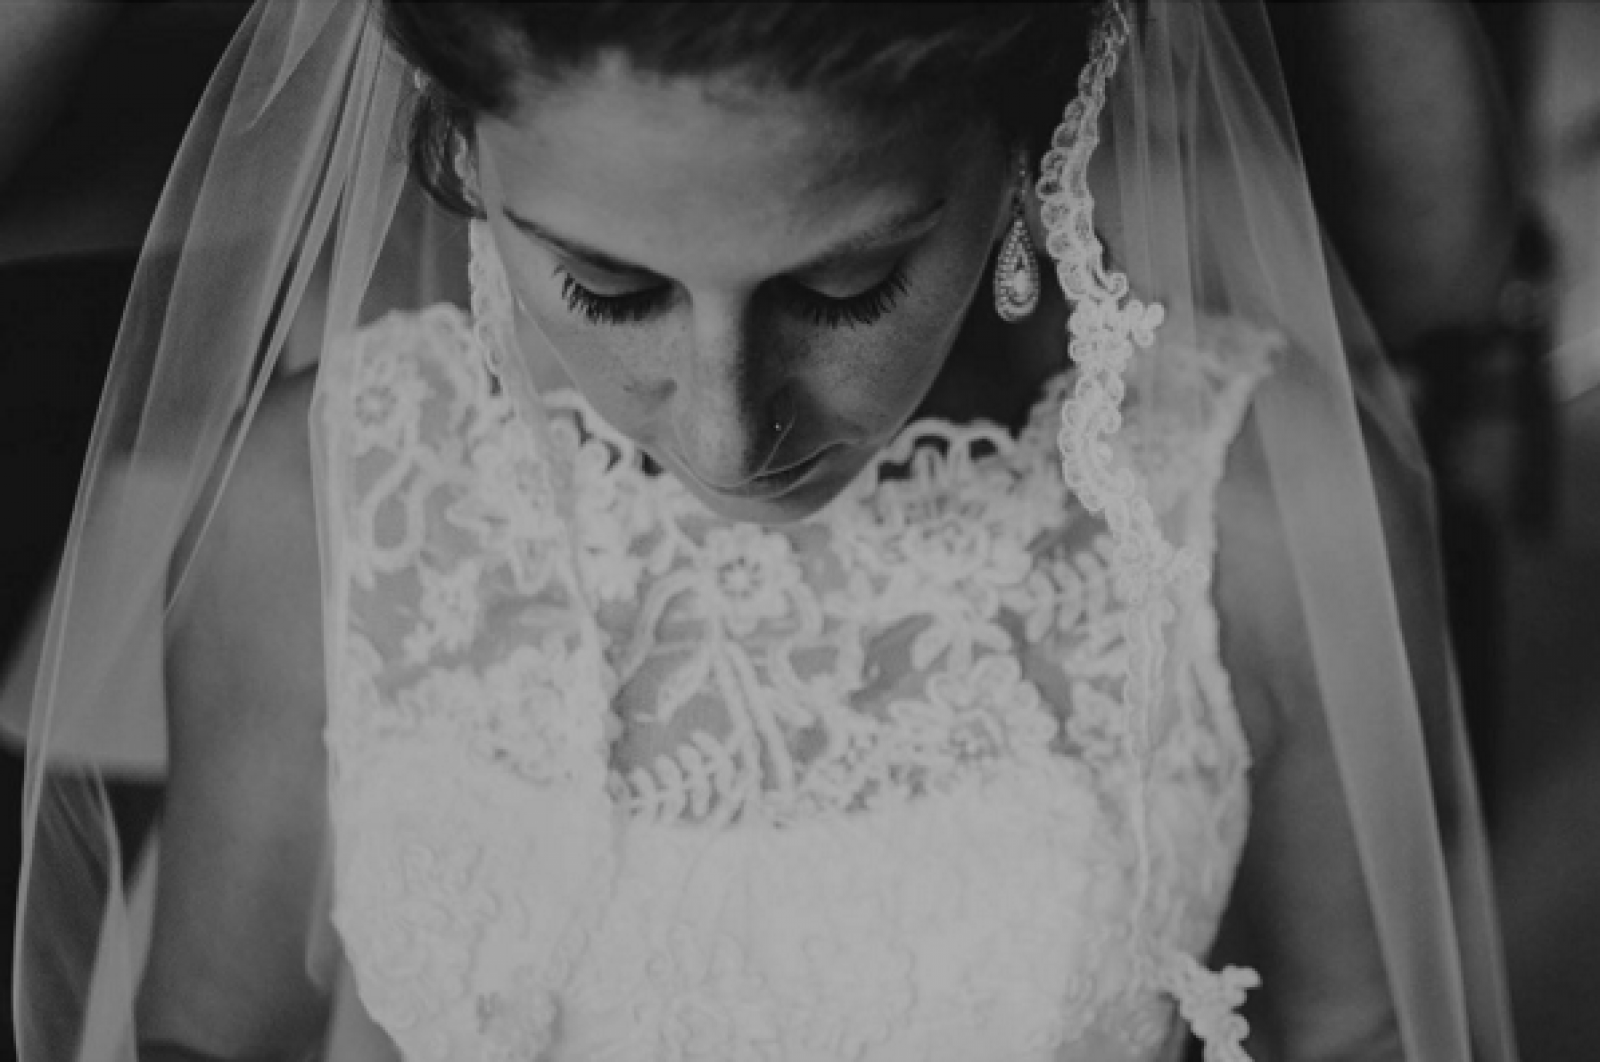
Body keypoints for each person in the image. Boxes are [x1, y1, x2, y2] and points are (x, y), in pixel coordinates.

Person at [10, 3, 1518, 1061]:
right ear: (460, 153)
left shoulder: (1265, 514)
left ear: (1027, 141)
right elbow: (210, 1034)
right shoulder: (324, 510)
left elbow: (1358, 1032)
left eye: (844, 289)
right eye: (608, 289)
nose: (728, 433)